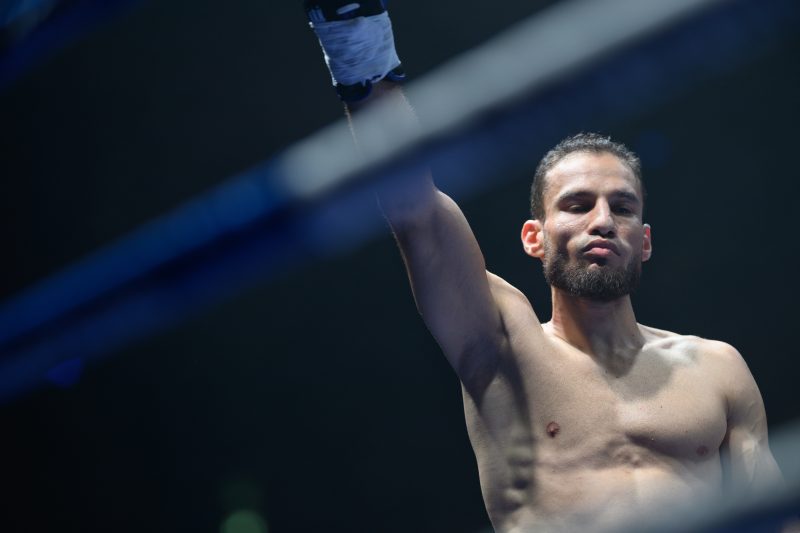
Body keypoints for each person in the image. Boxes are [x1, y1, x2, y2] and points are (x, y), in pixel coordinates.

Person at [305, 1, 785, 531]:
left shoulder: (717, 369)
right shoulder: (501, 347)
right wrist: (356, 35)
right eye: (578, 205)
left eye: (622, 207)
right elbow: (415, 211)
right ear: (534, 237)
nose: (602, 221)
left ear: (644, 241)